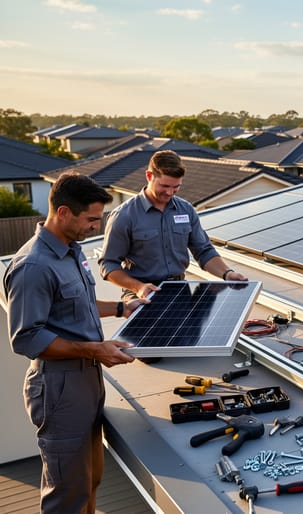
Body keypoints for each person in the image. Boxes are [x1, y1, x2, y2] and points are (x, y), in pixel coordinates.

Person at [3, 172, 146, 513]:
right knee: (67, 494)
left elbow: (78, 303)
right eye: (92, 219)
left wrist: (124, 307)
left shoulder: (70, 251)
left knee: (90, 478)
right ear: (64, 212)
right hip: (59, 385)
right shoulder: (34, 265)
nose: (96, 227)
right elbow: (26, 337)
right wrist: (94, 349)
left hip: (85, 379)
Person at [99, 149, 247, 302]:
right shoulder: (123, 216)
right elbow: (108, 264)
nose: (170, 192)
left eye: (176, 187)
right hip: (141, 293)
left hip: (179, 289)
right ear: (149, 176)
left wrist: (228, 274)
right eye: (164, 186)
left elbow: (204, 251)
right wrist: (138, 287)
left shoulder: (186, 210)